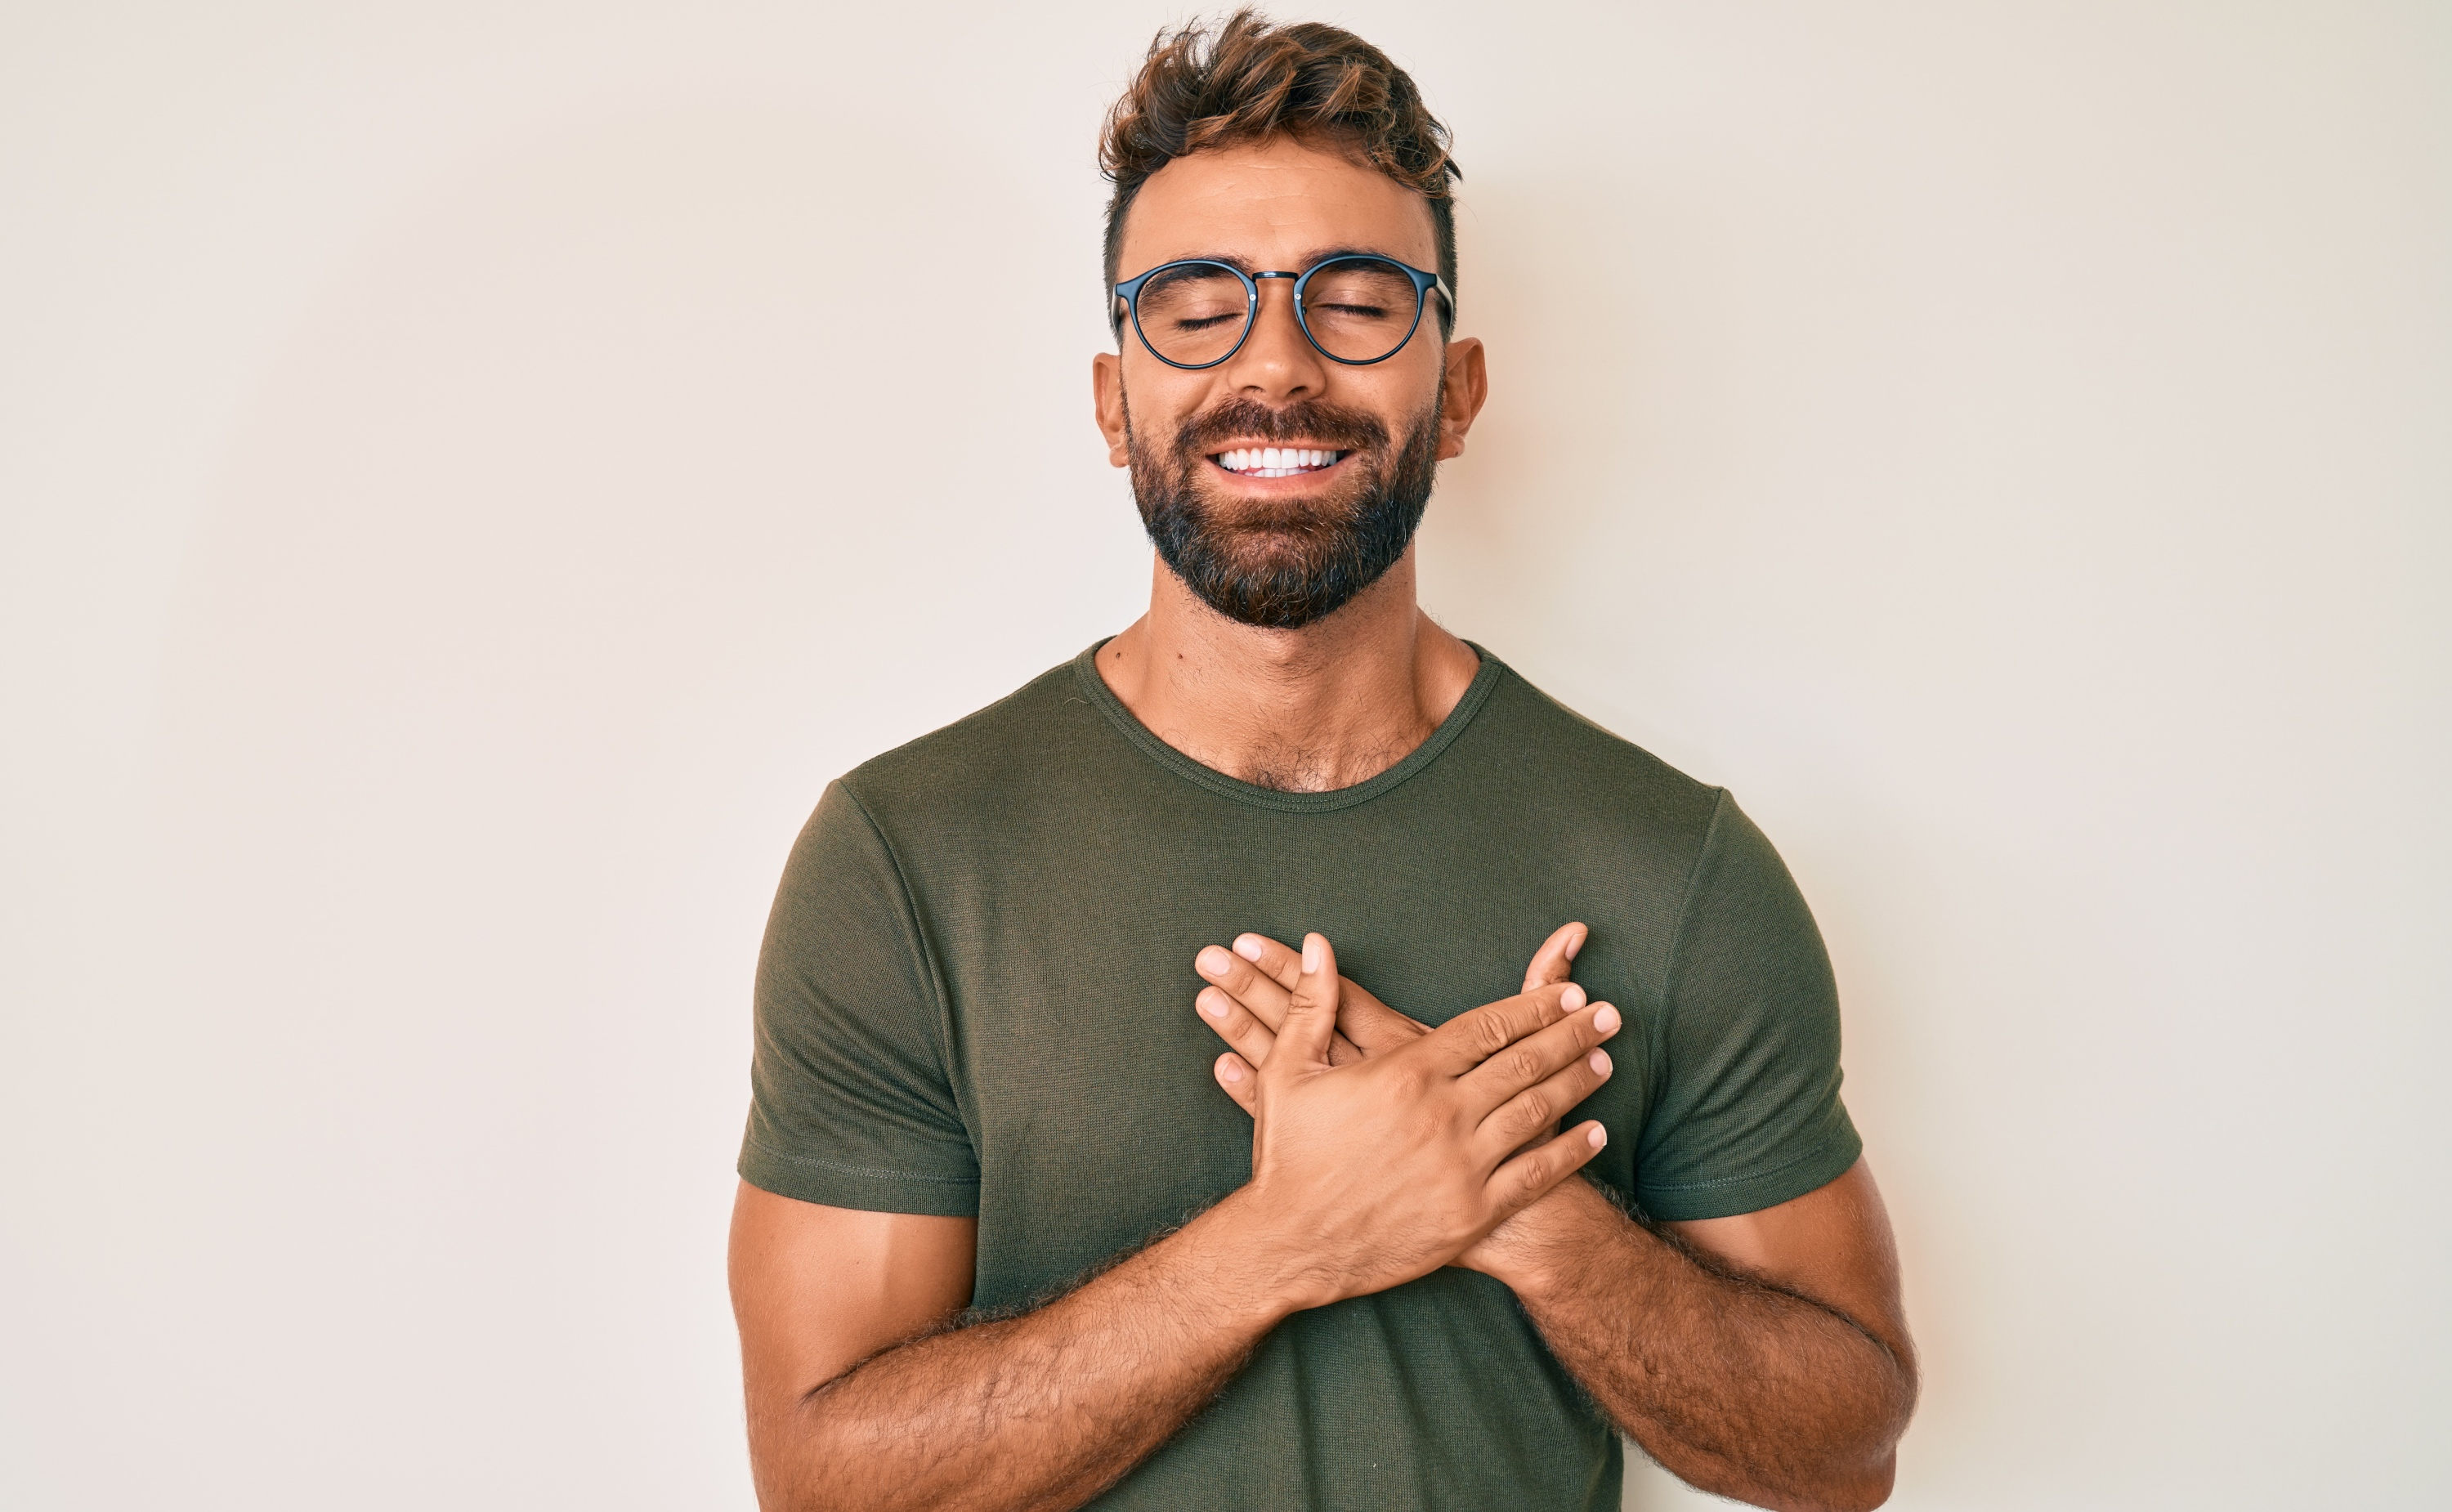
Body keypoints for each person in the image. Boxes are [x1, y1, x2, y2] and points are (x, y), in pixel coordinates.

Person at [726, 12, 1917, 1511]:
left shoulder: (1672, 863)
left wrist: (1519, 1206)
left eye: (1353, 301)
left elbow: (1845, 1450)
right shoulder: (905, 858)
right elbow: (821, 1482)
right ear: (1113, 403)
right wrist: (1288, 1238)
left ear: (1460, 390)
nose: (1273, 365)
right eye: (1194, 304)